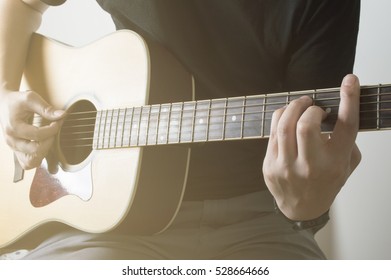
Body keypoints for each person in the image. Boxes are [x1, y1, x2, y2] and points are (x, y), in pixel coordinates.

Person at [0, 0, 361, 259]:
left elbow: (312, 145)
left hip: (257, 219)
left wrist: (307, 207)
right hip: (110, 222)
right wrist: (3, 94)